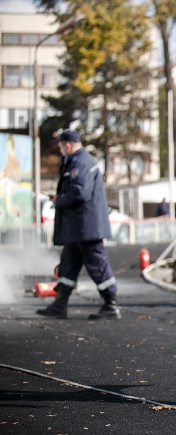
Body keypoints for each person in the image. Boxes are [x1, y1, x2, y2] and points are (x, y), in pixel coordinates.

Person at [37, 130, 120, 320]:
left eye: (60, 146)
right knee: (69, 263)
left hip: (86, 226)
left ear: (67, 145)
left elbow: (80, 193)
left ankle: (111, 303)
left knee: (97, 263)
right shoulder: (79, 162)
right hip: (79, 226)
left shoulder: (81, 163)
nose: (59, 149)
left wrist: (60, 199)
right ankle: (60, 304)